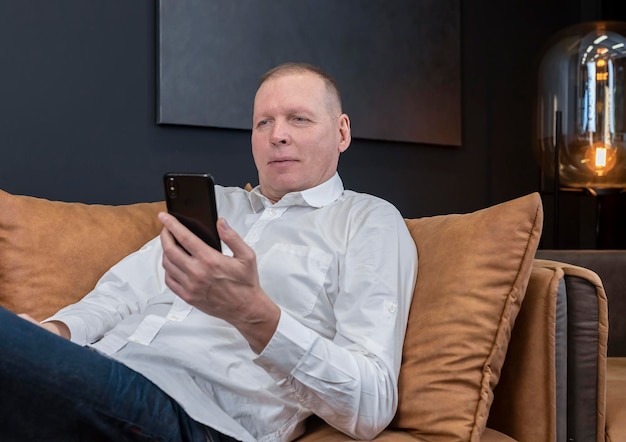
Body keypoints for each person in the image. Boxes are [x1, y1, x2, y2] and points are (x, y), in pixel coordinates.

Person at [0, 62, 417, 441]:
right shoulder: (219, 205)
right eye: (263, 122)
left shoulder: (368, 222)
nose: (278, 134)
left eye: (299, 119)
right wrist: (55, 334)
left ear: (342, 131)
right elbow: (121, 294)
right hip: (100, 371)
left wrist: (254, 315)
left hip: (192, 417)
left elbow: (372, 403)